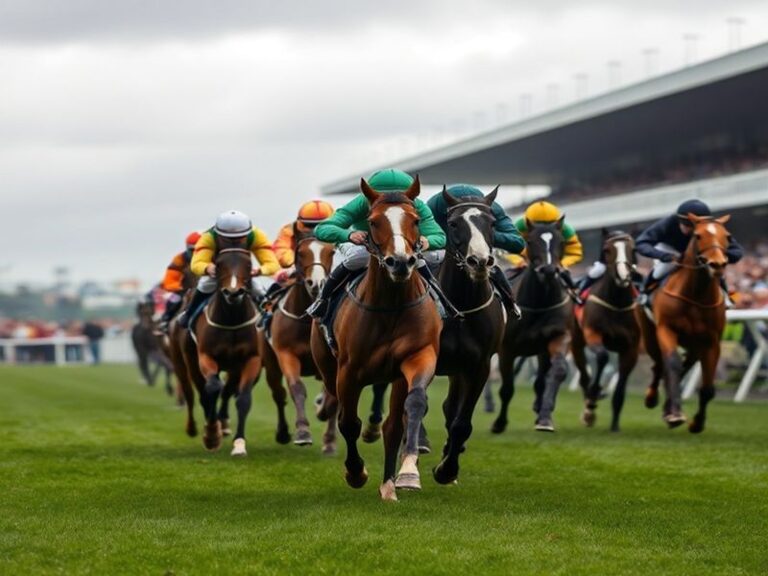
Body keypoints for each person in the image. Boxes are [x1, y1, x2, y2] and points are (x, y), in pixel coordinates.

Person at [307, 168, 457, 320]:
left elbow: (439, 237)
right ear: (370, 197)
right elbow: (322, 229)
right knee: (359, 256)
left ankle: (441, 301)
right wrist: (348, 234)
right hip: (362, 242)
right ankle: (323, 300)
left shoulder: (416, 205)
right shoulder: (361, 202)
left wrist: (427, 241)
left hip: (399, 244)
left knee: (429, 256)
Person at [426, 183, 525, 317]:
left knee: (494, 267)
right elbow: (419, 233)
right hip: (444, 248)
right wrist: (457, 234)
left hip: (478, 252)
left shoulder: (492, 208)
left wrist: (481, 234)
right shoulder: (434, 206)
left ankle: (511, 305)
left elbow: (518, 243)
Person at [177, 210, 280, 328]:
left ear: (248, 233)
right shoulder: (208, 237)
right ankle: (190, 313)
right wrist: (207, 268)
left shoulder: (256, 235)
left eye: (239, 238)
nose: (234, 241)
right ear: (219, 234)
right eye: (228, 238)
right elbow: (196, 264)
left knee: (258, 289)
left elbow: (273, 264)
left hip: (243, 271)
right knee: (204, 285)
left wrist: (260, 270)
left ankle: (268, 313)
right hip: (219, 271)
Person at [635, 199, 743, 303]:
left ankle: (728, 296)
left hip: (698, 254)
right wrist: (663, 256)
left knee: (717, 272)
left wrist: (721, 255)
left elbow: (737, 251)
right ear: (679, 221)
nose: (690, 230)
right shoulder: (668, 223)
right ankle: (643, 293)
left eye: (694, 227)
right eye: (687, 225)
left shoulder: (711, 228)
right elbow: (641, 243)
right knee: (660, 271)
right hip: (671, 250)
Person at [507, 200, 584, 302]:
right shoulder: (519, 226)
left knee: (567, 277)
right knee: (505, 277)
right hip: (526, 261)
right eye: (537, 224)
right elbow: (507, 248)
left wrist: (562, 263)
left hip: (555, 262)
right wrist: (518, 261)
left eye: (549, 224)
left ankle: (575, 293)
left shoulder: (565, 229)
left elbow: (575, 252)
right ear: (528, 222)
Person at [157, 231, 201, 331]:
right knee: (174, 299)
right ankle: (166, 320)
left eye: (198, 250)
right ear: (187, 248)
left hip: (209, 288)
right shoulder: (179, 259)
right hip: (185, 290)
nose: (195, 253)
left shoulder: (212, 257)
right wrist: (179, 288)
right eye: (192, 250)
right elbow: (170, 279)